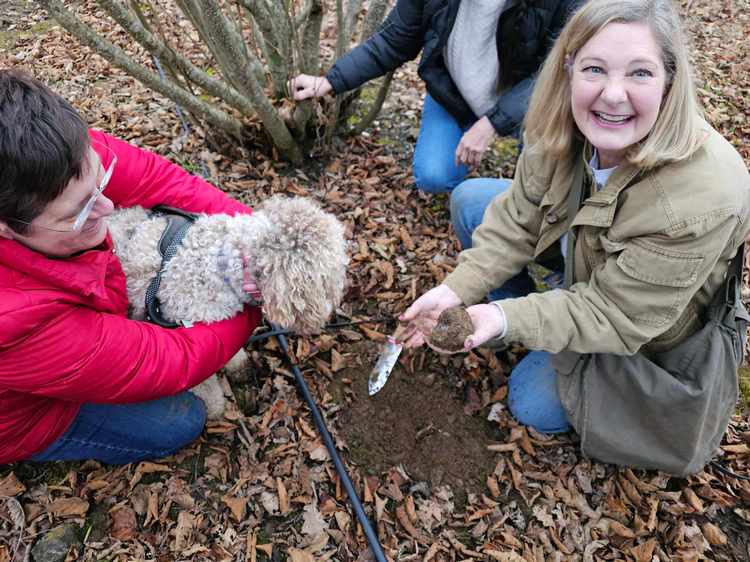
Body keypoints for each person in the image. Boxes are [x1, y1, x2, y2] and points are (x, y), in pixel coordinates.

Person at [398, 0, 750, 475]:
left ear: (670, 81)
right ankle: (530, 322)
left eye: (640, 74)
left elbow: (615, 314)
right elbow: (519, 218)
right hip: (584, 259)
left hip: (639, 331)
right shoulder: (559, 122)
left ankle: (533, 329)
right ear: (567, 68)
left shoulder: (699, 195)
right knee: (472, 200)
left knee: (529, 404)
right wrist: (456, 290)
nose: (612, 95)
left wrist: (501, 317)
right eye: (595, 68)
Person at [0, 69, 262, 465]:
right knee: (180, 421)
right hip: (25, 417)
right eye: (81, 210)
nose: (107, 208)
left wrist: (257, 238)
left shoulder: (48, 155)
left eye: (100, 183)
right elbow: (170, 362)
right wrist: (260, 294)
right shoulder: (15, 320)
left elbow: (161, 182)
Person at [290, 0, 580, 194]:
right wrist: (330, 81)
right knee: (433, 176)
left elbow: (553, 75)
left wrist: (493, 124)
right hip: (457, 91)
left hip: (532, 100)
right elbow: (394, 40)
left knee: (539, 187)